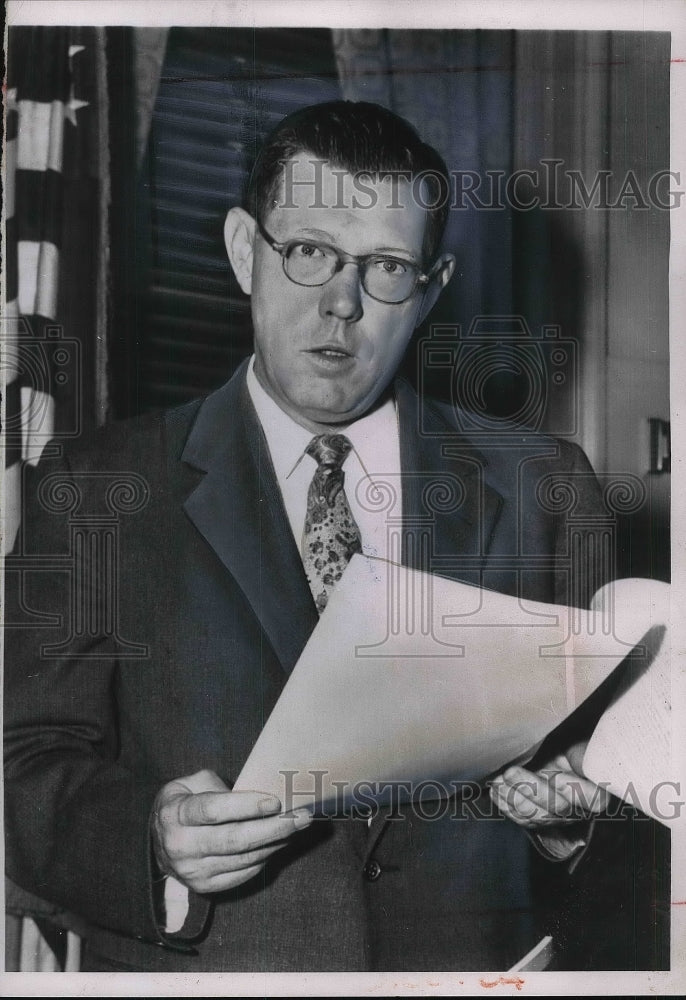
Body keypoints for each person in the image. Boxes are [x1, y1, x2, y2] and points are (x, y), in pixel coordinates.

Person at [5, 101, 636, 973]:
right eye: (308, 252)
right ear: (242, 251)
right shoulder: (97, 488)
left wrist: (578, 821)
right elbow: (23, 760)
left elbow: (630, 811)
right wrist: (152, 841)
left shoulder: (548, 487)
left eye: (385, 267)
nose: (341, 304)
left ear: (432, 288)